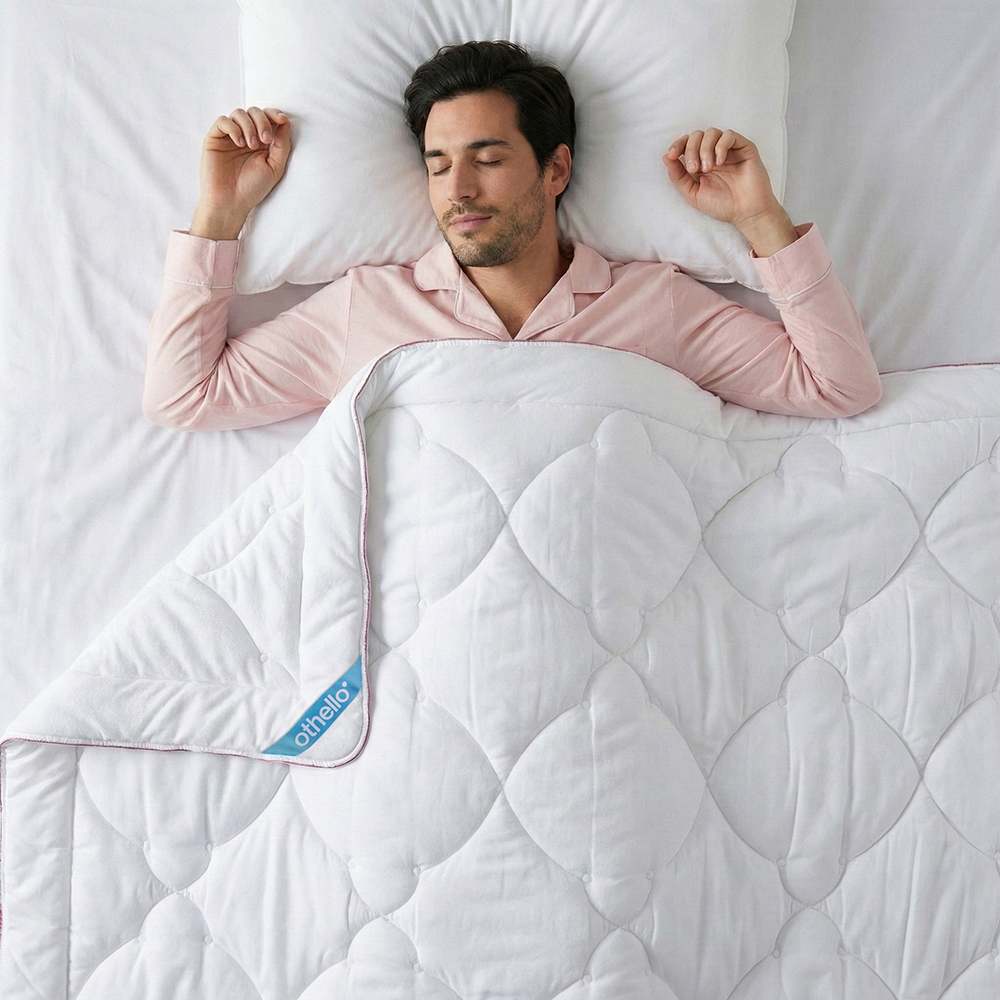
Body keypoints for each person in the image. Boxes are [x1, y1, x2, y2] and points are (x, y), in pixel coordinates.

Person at [143, 41, 881, 431]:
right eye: (438, 165)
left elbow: (840, 386)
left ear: (555, 168)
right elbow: (184, 398)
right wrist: (221, 214)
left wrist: (760, 221)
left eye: (488, 160)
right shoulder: (367, 307)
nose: (458, 190)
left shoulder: (653, 303)